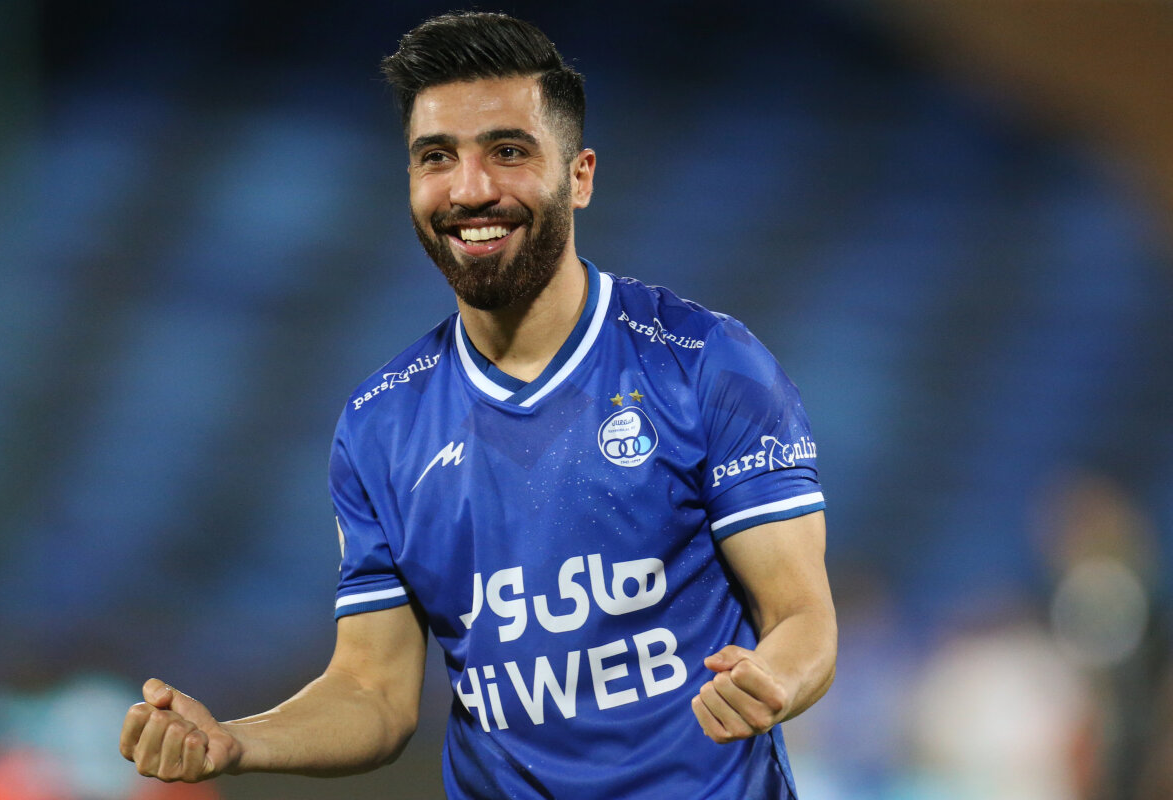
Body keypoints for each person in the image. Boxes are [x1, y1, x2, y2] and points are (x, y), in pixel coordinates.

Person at [119, 11, 837, 798]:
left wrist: (772, 679)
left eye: (508, 152)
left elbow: (802, 618)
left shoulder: (706, 363)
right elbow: (373, 692)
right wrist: (234, 740)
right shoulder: (380, 425)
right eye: (437, 157)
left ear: (580, 176)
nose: (470, 190)